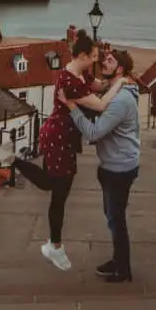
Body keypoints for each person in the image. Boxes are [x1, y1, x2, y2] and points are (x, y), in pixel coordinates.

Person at [12, 29, 124, 271]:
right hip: (59, 138)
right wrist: (122, 83)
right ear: (82, 55)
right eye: (93, 56)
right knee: (57, 191)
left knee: (55, 186)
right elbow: (101, 104)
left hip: (59, 136)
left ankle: (54, 244)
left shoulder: (74, 71)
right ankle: (55, 246)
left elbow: (98, 86)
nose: (96, 60)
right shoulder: (72, 83)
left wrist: (113, 79)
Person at [57, 49, 140, 283]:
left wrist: (71, 106)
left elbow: (94, 131)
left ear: (120, 70)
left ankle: (123, 270)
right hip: (116, 163)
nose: (105, 61)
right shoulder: (118, 90)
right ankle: (119, 260)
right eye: (105, 58)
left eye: (111, 61)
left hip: (119, 168)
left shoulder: (121, 100)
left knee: (116, 218)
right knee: (113, 215)